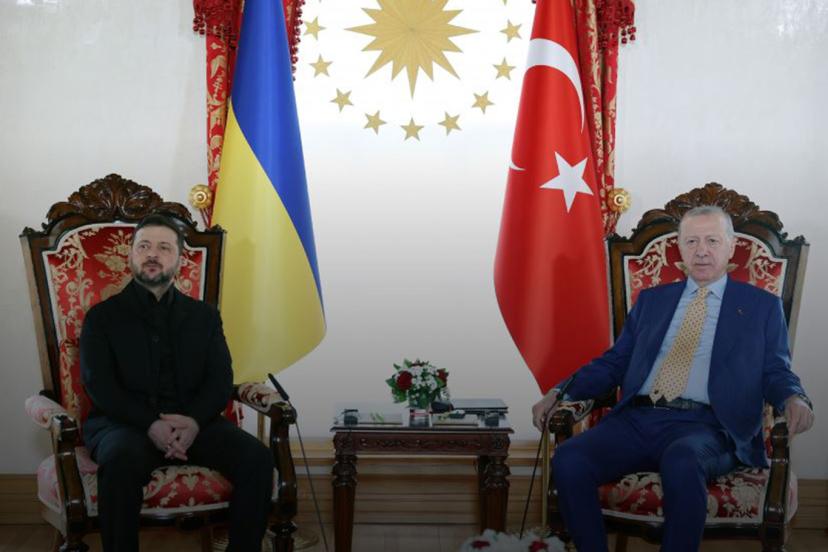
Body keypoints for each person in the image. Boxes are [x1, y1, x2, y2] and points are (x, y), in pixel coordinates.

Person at [531, 205, 814, 552]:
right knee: (570, 458)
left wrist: (794, 397)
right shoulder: (652, 300)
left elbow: (775, 370)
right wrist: (560, 392)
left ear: (731, 247)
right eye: (691, 241)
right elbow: (614, 362)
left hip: (709, 426)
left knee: (682, 459)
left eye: (712, 241)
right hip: (638, 418)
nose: (701, 251)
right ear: (679, 248)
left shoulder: (761, 306)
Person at [81, 214, 274, 552]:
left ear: (180, 260)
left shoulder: (205, 316)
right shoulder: (101, 317)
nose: (152, 254)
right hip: (124, 425)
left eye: (164, 248)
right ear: (131, 255)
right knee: (119, 464)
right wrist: (150, 423)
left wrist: (195, 421)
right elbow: (100, 385)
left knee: (257, 458)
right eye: (144, 246)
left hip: (194, 423)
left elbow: (220, 380)